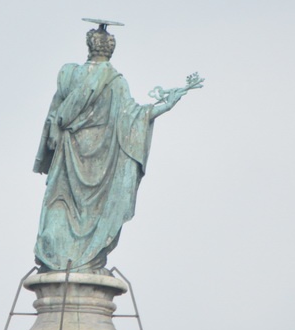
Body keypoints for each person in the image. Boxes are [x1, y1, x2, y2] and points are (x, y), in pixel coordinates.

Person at [32, 24, 197, 273]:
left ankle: (59, 260)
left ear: (89, 47)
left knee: (58, 206)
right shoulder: (115, 82)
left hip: (68, 157)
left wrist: (54, 133)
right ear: (110, 51)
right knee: (81, 212)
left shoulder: (69, 75)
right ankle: (82, 261)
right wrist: (165, 106)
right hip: (94, 165)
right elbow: (134, 117)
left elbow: (54, 116)